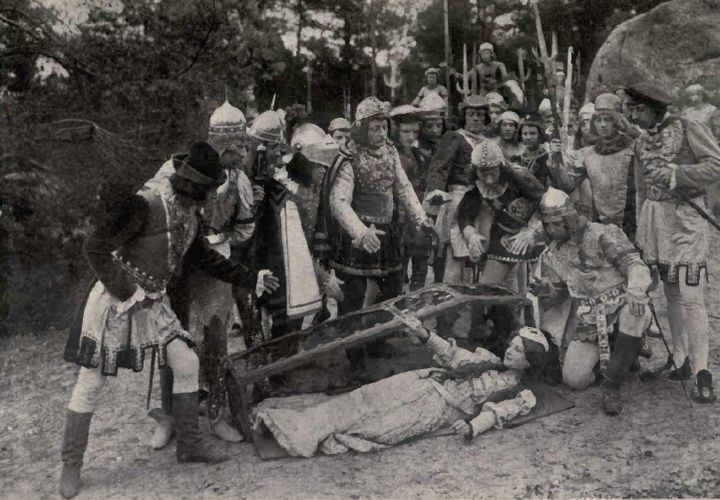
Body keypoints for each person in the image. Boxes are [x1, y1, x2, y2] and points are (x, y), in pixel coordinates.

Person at [59, 142, 279, 498]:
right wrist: (127, 292)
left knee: (187, 362)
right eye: (211, 190)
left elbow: (205, 258)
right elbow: (95, 247)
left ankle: (190, 445)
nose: (213, 198)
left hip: (155, 302)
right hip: (117, 300)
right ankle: (71, 465)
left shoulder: (190, 215)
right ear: (197, 187)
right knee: (92, 380)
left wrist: (250, 278)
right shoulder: (144, 204)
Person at [253, 318, 547, 457]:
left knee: (376, 427)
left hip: (438, 408)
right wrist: (424, 334)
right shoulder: (488, 359)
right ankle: (296, 424)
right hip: (424, 380)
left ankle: (308, 432)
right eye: (512, 344)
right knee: (362, 399)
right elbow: (453, 355)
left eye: (520, 351)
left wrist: (473, 428)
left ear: (531, 363)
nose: (511, 351)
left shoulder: (519, 393)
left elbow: (499, 412)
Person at [148, 100, 256, 449]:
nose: (244, 152)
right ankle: (171, 416)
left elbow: (243, 230)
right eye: (240, 145)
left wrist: (215, 242)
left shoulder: (239, 180)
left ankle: (216, 413)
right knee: (172, 337)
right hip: (177, 263)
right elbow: (157, 212)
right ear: (224, 145)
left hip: (214, 258)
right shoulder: (174, 169)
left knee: (215, 338)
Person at [627, 82, 720, 402]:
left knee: (692, 295)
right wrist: (641, 225)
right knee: (670, 294)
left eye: (638, 110)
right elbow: (640, 188)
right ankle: (679, 358)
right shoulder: (640, 142)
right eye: (631, 109)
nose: (633, 115)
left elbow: (715, 165)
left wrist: (677, 173)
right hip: (656, 221)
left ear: (655, 109)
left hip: (686, 221)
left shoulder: (689, 127)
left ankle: (702, 369)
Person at [532, 188, 652, 415]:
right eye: (547, 225)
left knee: (636, 314)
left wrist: (636, 291)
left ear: (569, 219)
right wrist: (544, 289)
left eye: (557, 223)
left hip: (623, 302)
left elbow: (635, 265)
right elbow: (558, 291)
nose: (552, 229)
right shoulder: (552, 252)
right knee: (574, 379)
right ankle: (624, 356)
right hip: (590, 316)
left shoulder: (603, 233)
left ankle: (612, 386)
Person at [320, 97, 433, 315]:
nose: (381, 133)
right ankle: (352, 345)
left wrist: (421, 218)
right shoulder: (349, 156)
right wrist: (361, 233)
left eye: (384, 127)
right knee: (353, 299)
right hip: (358, 238)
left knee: (389, 293)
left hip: (387, 233)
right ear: (362, 129)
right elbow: (339, 202)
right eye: (375, 129)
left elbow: (403, 187)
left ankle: (379, 342)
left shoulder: (390, 152)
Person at [457, 141, 546, 286]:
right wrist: (472, 235)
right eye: (483, 173)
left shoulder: (519, 176)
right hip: (503, 235)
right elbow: (464, 216)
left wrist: (532, 232)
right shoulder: (476, 187)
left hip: (535, 232)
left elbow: (545, 202)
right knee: (488, 287)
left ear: (501, 167)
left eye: (493, 172)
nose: (489, 179)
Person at [551, 93, 638, 239]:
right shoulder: (587, 154)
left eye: (607, 120)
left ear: (617, 122)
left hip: (633, 225)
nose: (602, 125)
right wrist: (556, 162)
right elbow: (568, 185)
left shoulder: (634, 149)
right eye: (598, 120)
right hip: (601, 225)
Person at [425, 95, 491, 285]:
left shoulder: (488, 142)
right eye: (471, 114)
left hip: (483, 202)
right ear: (464, 116)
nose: (476, 118)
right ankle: (449, 302)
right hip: (458, 199)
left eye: (480, 115)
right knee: (456, 253)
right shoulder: (454, 138)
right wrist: (436, 191)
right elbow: (439, 168)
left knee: (480, 252)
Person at [390, 104, 433, 290]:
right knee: (397, 271)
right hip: (398, 219)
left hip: (417, 219)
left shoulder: (419, 155)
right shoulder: (392, 155)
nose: (411, 136)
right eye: (405, 131)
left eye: (414, 131)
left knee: (420, 269)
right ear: (396, 132)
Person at [516, 112, 567, 190]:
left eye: (533, 133)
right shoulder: (518, 157)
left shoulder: (548, 155)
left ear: (540, 135)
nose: (529, 137)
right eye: (525, 134)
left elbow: (562, 185)